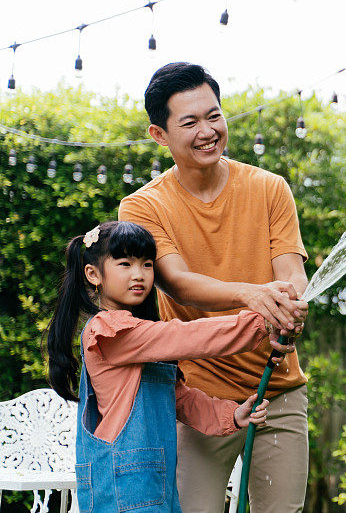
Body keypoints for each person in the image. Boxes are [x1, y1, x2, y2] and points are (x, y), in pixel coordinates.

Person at [118, 62, 310, 513]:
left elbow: (291, 270)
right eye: (190, 122)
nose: (208, 131)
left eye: (214, 116)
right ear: (159, 134)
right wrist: (253, 295)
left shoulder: (269, 188)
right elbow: (179, 283)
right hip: (197, 396)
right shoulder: (143, 207)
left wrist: (289, 304)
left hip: (277, 388)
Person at [47, 220, 281, 512]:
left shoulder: (142, 334)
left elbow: (180, 398)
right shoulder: (107, 331)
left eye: (147, 264)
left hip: (155, 482)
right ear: (93, 274)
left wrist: (231, 414)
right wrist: (260, 320)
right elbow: (182, 336)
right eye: (125, 264)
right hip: (124, 487)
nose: (139, 274)